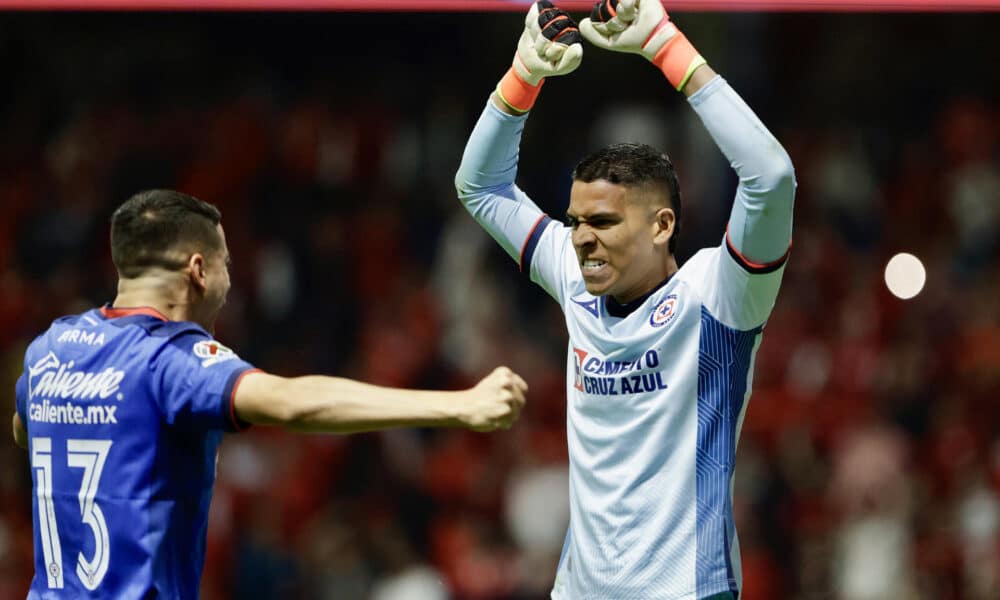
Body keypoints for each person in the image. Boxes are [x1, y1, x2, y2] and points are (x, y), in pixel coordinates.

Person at [11, 189, 528, 598]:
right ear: (198, 270)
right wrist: (458, 405)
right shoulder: (169, 359)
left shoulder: (50, 349)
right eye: (226, 265)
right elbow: (291, 402)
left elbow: (24, 428)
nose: (230, 282)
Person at [454, 1, 795, 598]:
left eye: (605, 222)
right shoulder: (573, 274)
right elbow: (479, 186)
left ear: (662, 226)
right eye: (576, 220)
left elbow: (771, 177)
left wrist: (665, 44)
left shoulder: (720, 296)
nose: (582, 237)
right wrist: (524, 75)